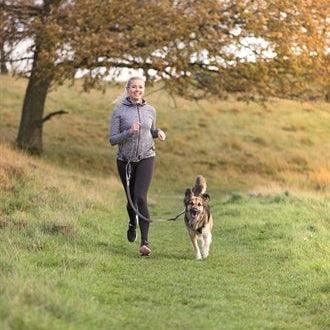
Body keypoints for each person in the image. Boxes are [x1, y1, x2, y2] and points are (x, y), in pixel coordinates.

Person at [109, 76, 166, 256]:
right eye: (134, 87)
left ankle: (145, 242)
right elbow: (112, 139)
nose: (137, 90)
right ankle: (132, 222)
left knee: (140, 197)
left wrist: (158, 133)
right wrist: (129, 132)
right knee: (131, 200)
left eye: (140, 87)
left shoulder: (151, 110)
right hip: (125, 161)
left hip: (146, 157)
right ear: (128, 89)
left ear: (143, 89)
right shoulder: (119, 111)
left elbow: (149, 132)